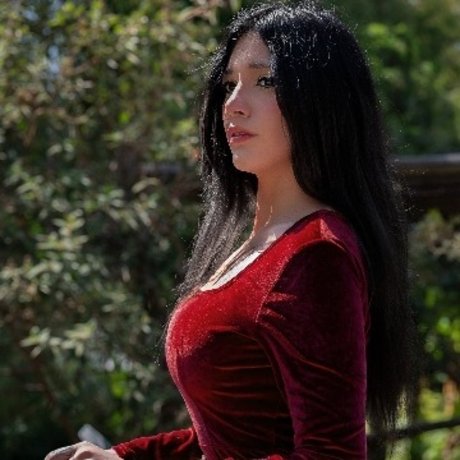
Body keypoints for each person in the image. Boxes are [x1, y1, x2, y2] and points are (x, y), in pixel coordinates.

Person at [45, 1, 419, 459]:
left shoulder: (317, 254)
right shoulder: (257, 246)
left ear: (322, 97)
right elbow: (230, 436)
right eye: (229, 84)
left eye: (265, 81)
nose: (233, 105)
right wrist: (121, 457)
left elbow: (331, 453)